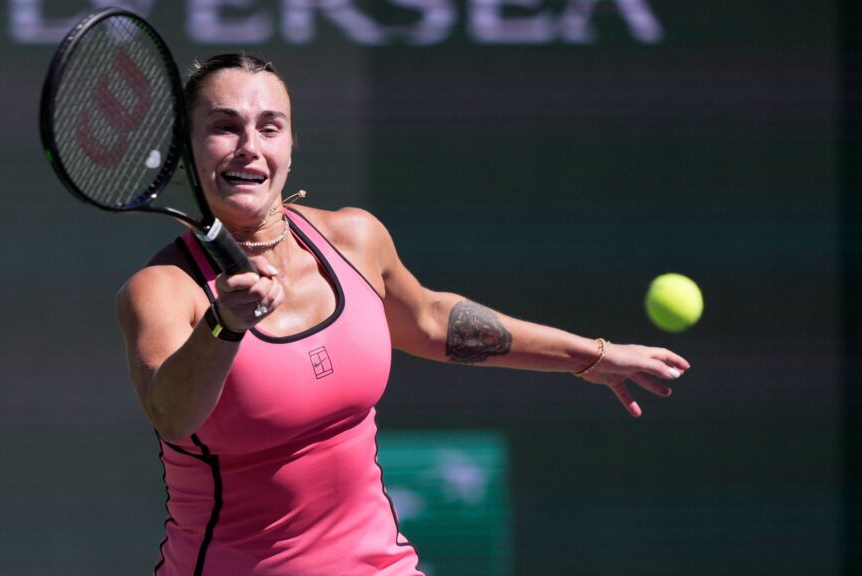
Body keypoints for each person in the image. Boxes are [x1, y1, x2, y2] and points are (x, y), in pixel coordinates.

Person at [116, 53, 690, 576]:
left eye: (270, 127)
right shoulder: (163, 290)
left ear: (291, 146)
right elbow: (171, 413)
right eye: (224, 126)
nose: (250, 146)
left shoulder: (354, 239)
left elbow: (434, 320)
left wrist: (590, 355)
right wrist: (225, 324)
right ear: (187, 150)